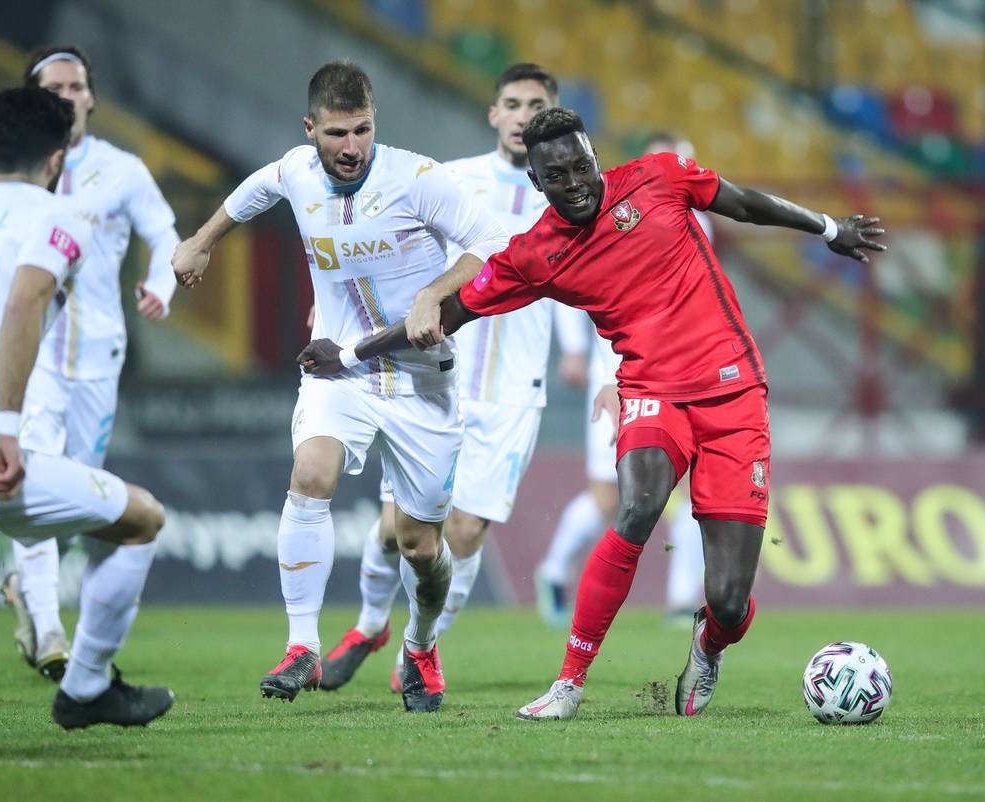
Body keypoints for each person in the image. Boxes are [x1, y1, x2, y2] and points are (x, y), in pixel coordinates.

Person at [296, 107, 885, 720]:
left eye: (582, 166)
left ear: (594, 157)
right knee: (635, 509)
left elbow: (741, 203)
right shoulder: (537, 254)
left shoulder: (659, 177)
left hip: (735, 393)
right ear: (538, 184)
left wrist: (827, 229)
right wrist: (349, 351)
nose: (575, 182)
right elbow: (446, 319)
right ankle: (569, 683)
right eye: (558, 175)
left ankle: (708, 644)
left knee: (730, 602)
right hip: (653, 390)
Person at [171, 61, 508, 712]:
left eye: (362, 130)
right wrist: (202, 240)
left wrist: (435, 293)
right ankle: (302, 646)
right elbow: (256, 189)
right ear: (310, 130)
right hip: (337, 365)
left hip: (421, 380)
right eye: (336, 133)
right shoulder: (297, 169)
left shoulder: (416, 178)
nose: (352, 147)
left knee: (420, 545)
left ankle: (419, 642)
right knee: (311, 472)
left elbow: (493, 243)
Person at [0, 86, 172, 729]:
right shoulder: (62, 218)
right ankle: (88, 685)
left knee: (40, 528)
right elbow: (25, 300)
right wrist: (7, 429)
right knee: (142, 519)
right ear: (59, 161)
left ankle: (42, 622)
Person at [319, 64, 561, 694]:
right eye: (512, 102)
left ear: (553, 113)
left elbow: (601, 287)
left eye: (537, 104)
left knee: (464, 530)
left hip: (514, 390)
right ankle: (371, 624)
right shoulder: (450, 179)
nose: (523, 114)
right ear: (494, 113)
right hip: (432, 378)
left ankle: (419, 648)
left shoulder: (571, 192)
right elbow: (381, 248)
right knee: (395, 531)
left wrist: (612, 373)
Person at [538, 131, 712, 628]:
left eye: (688, 161)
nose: (683, 171)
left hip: (685, 374)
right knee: (608, 499)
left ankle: (682, 600)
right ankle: (554, 569)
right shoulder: (609, 210)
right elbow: (566, 282)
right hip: (618, 372)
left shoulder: (699, 222)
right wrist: (576, 350)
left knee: (696, 490)